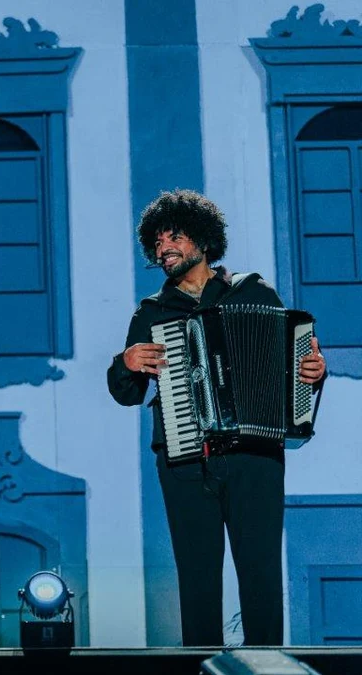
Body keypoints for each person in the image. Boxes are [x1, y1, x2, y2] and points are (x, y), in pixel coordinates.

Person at [107, 190, 326, 646]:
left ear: (204, 241)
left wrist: (313, 371)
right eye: (158, 241)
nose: (164, 246)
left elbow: (290, 367)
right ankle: (199, 666)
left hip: (255, 456)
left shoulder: (254, 291)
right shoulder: (152, 312)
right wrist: (124, 363)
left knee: (261, 573)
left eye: (176, 236)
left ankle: (266, 663)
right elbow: (126, 394)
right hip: (185, 460)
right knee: (197, 580)